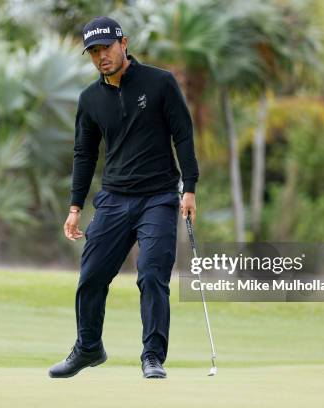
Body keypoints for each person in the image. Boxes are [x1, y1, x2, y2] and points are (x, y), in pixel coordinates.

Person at [48, 16, 199, 379]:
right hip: (114, 199)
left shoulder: (160, 83)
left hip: (159, 198)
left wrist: (189, 187)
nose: (102, 56)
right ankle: (88, 348)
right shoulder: (90, 100)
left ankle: (152, 357)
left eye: (107, 47)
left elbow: (183, 134)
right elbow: (84, 155)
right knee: (91, 276)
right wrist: (73, 208)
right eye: (94, 51)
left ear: (124, 43)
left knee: (151, 275)